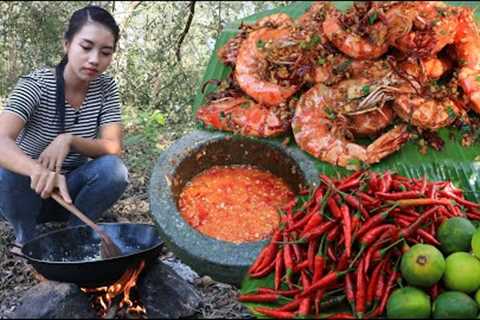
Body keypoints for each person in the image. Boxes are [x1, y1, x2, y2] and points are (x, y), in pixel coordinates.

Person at [0, 5, 129, 247]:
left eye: (105, 52)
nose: (94, 59)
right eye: (86, 47)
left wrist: (69, 140)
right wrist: (39, 171)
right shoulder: (37, 84)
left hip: (71, 194)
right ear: (67, 44)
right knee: (6, 171)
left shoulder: (106, 88)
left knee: (115, 170)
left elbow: (113, 146)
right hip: (25, 193)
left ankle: (75, 234)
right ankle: (25, 240)